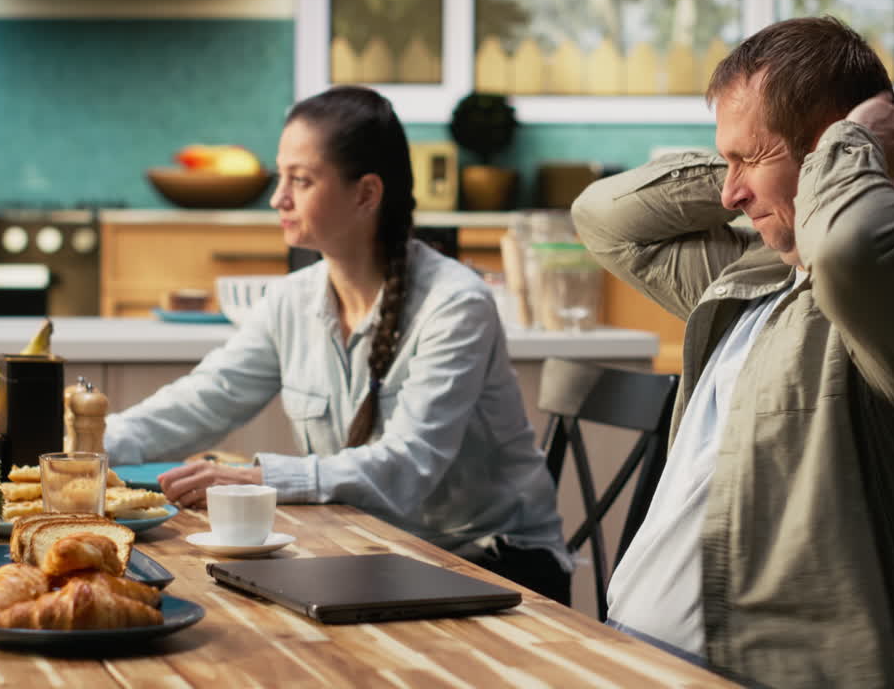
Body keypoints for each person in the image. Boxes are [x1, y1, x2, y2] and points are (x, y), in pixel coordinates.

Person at [571, 17, 894, 686]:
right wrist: (755, 161)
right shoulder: (754, 278)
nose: (729, 193)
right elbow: (603, 217)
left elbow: (850, 248)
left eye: (749, 159)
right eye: (728, 161)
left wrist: (851, 142)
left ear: (833, 145)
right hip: (630, 658)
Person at [104, 85, 572, 604]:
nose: (278, 198)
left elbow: (406, 465)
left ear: (366, 194)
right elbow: (204, 398)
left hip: (494, 566)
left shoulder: (456, 304)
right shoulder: (292, 301)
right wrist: (81, 448)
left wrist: (257, 477)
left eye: (300, 180)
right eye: (281, 176)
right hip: (380, 552)